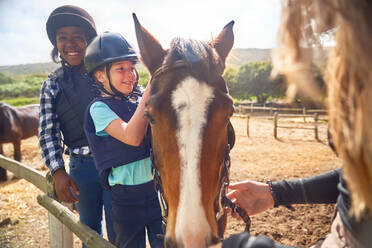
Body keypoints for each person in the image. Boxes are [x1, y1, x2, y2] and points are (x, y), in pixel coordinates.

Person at [38, 5, 115, 245]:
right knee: (89, 231)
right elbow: (47, 133)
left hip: (117, 163)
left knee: (121, 228)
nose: (70, 44)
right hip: (82, 168)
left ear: (88, 41)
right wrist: (58, 171)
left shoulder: (108, 74)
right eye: (63, 38)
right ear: (56, 44)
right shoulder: (52, 85)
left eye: (77, 37)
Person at [83, 31, 164, 248]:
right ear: (100, 75)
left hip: (156, 190)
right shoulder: (98, 109)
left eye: (132, 68)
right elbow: (132, 136)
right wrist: (149, 92)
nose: (130, 75)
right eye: (121, 69)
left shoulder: (137, 99)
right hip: (126, 198)